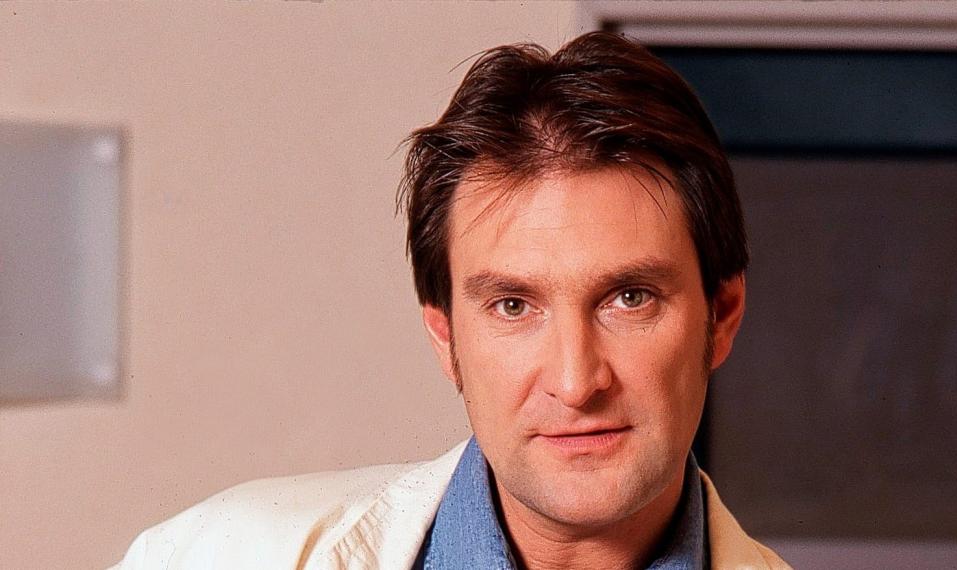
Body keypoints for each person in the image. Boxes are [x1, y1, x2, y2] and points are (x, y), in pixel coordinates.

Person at [112, 32, 788, 570]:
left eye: (629, 298)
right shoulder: (204, 557)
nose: (576, 382)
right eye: (513, 306)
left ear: (722, 316)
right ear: (446, 338)